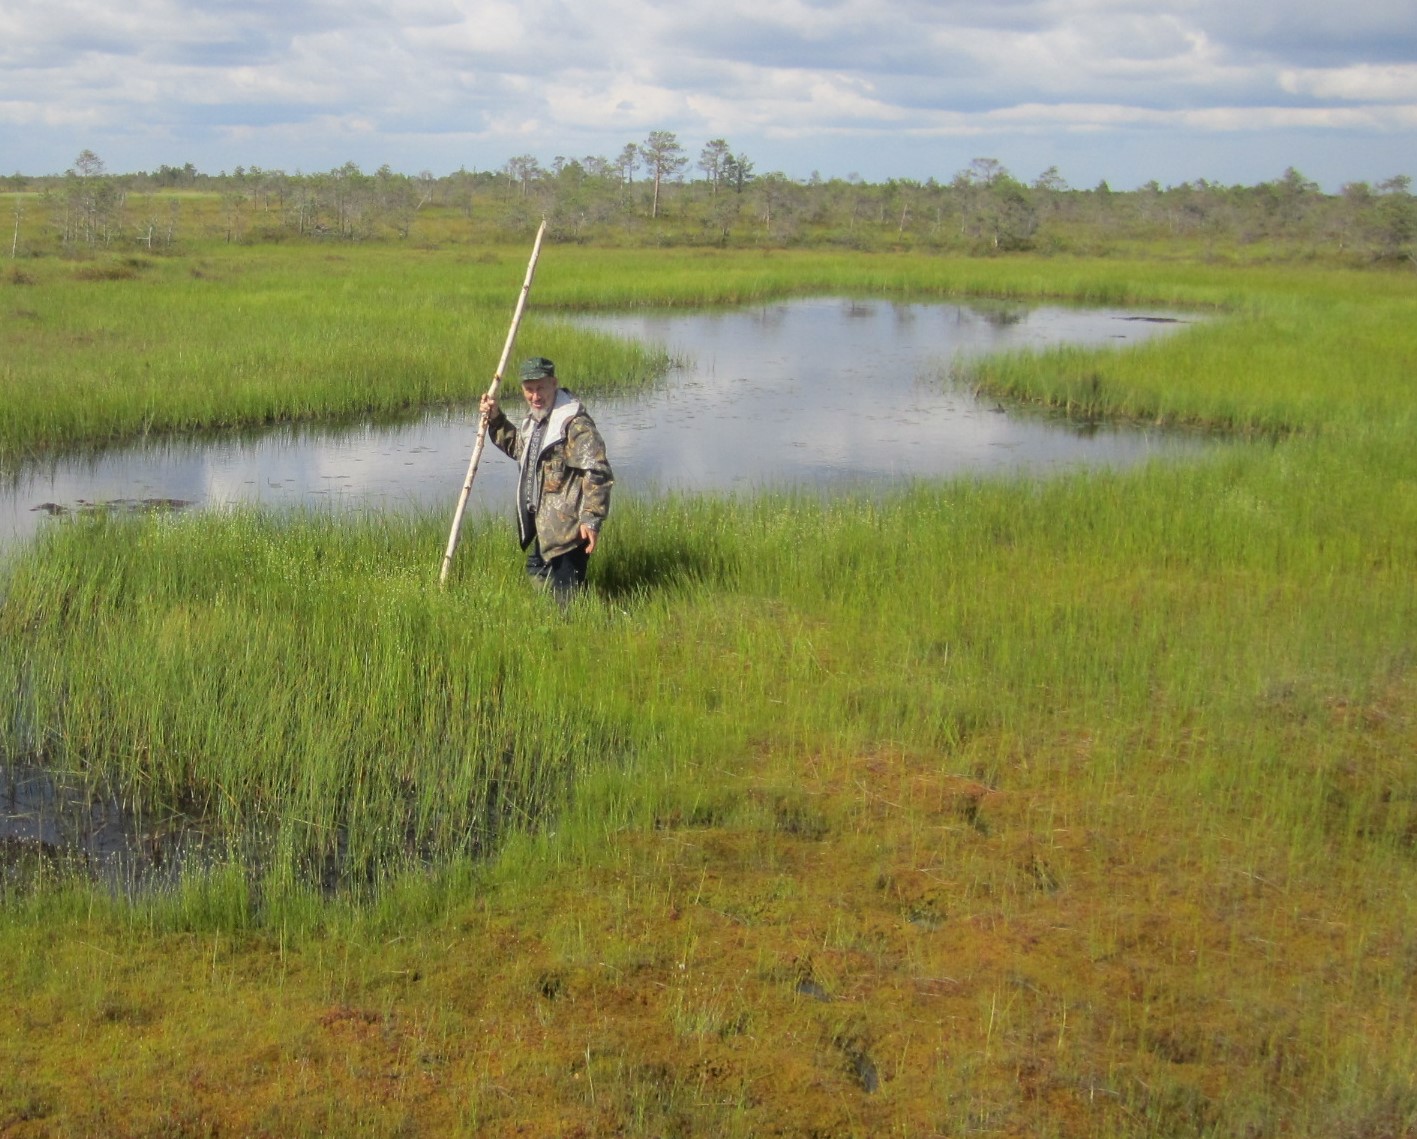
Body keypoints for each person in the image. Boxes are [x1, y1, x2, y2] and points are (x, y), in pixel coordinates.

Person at [480, 357, 613, 603]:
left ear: (554, 383)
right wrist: (496, 418)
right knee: (537, 575)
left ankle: (571, 633)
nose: (535, 396)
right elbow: (518, 448)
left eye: (540, 387)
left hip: (570, 532)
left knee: (566, 600)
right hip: (545, 528)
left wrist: (592, 519)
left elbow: (598, 471)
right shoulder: (537, 420)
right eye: (529, 389)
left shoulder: (574, 424)